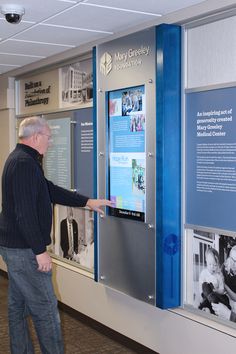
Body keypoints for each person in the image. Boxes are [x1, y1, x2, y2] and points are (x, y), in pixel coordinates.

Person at [0, 116, 113, 354]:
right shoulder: (23, 163)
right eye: (49, 138)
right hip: (25, 251)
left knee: (17, 307)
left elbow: (47, 189)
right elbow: (24, 214)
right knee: (46, 309)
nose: (50, 143)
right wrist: (39, 251)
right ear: (36, 137)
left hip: (17, 248)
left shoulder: (24, 160)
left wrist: (87, 201)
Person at [198, 247, 231, 314]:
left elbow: (222, 290)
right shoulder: (203, 273)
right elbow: (201, 290)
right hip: (207, 297)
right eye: (210, 264)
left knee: (226, 299)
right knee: (205, 286)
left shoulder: (219, 275)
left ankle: (214, 305)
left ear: (217, 263)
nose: (212, 267)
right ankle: (211, 307)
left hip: (217, 296)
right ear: (206, 260)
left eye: (215, 265)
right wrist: (208, 291)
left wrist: (216, 291)